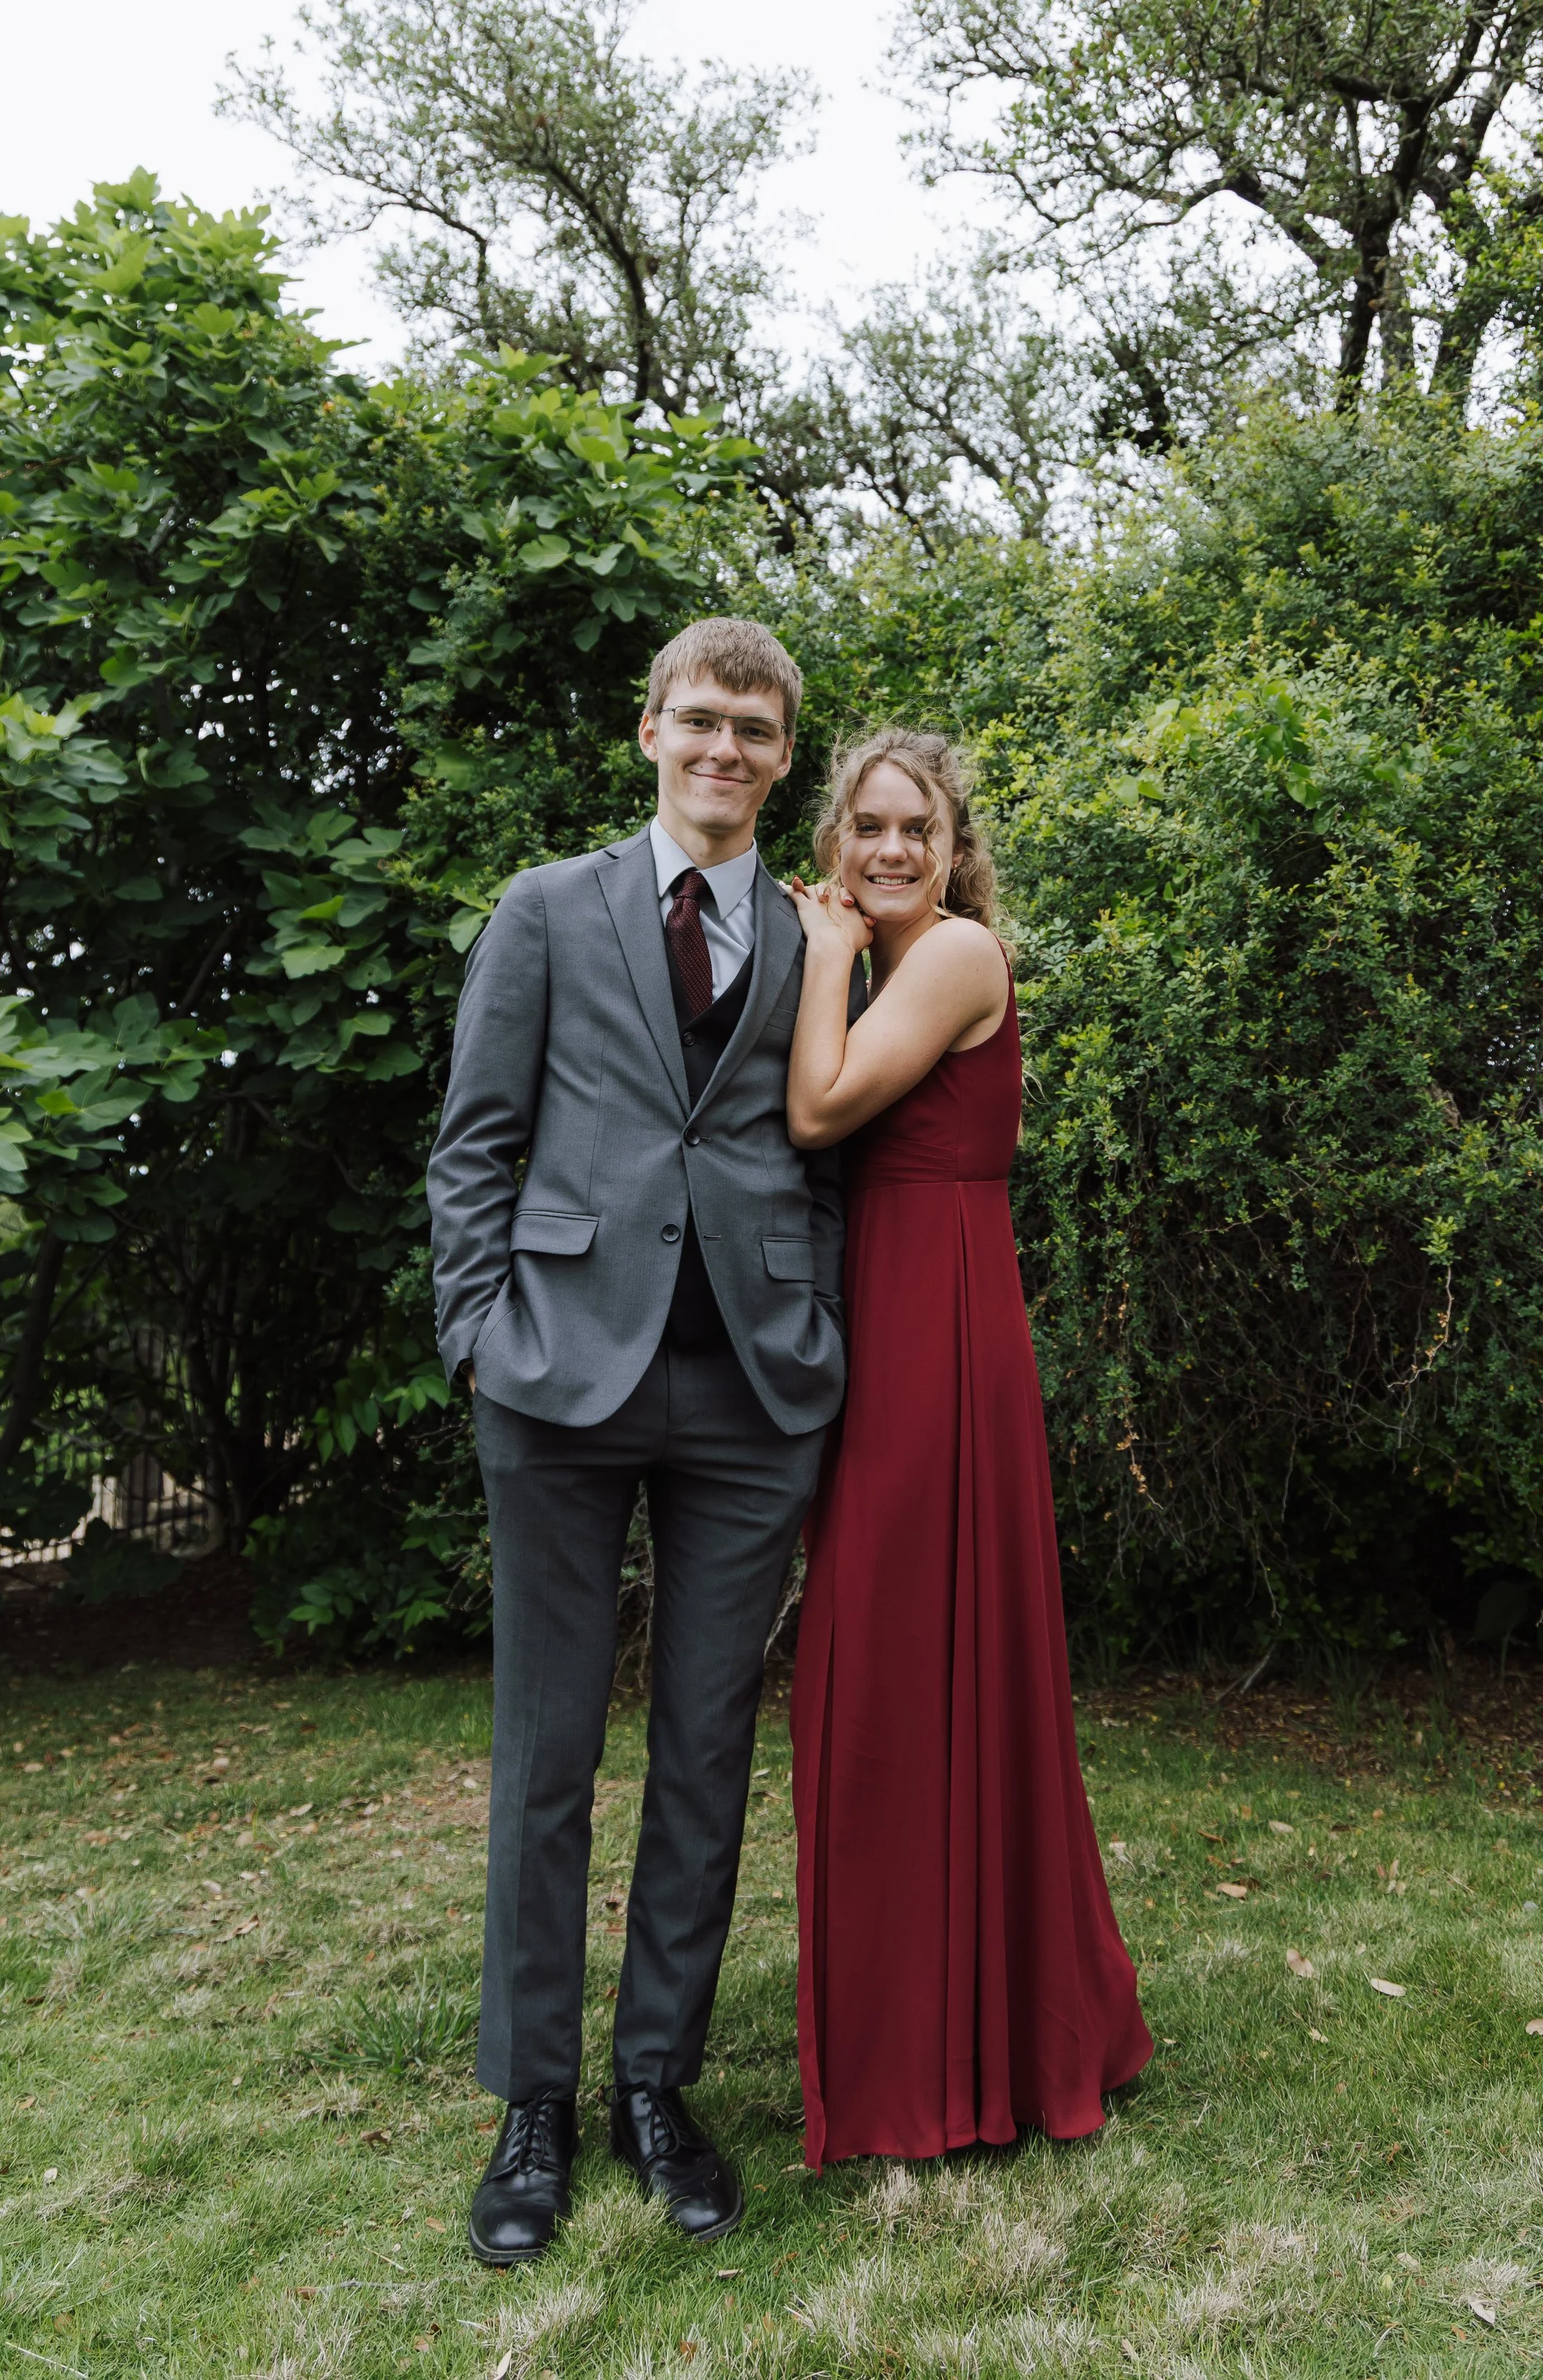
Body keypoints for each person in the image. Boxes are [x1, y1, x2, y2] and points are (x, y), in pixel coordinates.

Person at [428, 618, 859, 2263]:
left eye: (754, 727)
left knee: (702, 1754)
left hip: (750, 1393)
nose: (724, 747)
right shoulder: (547, 909)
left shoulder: (820, 933)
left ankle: (656, 2084)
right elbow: (476, 1139)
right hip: (555, 1376)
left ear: (779, 753)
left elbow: (819, 1155)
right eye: (700, 719)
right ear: (647, 730)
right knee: (547, 1754)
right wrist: (478, 1333)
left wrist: (809, 1329)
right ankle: (531, 2100)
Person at [785, 727, 1153, 2169]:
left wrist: (820, 958)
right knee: (882, 1668)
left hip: (936, 1329)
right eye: (864, 826)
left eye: (913, 829)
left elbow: (818, 1108)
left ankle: (954, 2053)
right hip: (889, 1316)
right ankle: (933, 2022)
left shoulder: (944, 960)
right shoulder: (884, 962)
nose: (886, 850)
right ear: (834, 836)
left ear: (951, 846)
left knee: (900, 1662)